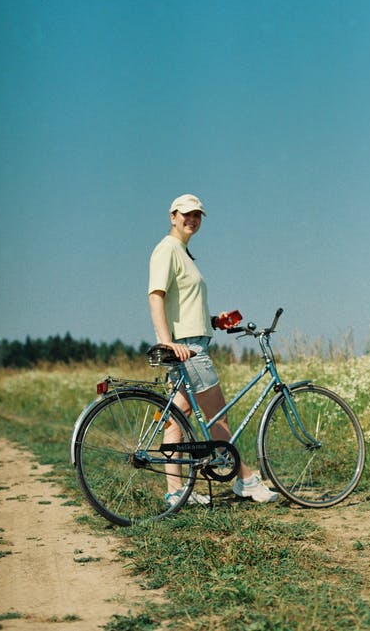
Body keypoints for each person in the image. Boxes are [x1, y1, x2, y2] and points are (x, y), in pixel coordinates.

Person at [148, 193, 279, 508]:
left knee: (176, 420)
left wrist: (213, 321)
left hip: (192, 341)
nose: (191, 220)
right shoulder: (167, 250)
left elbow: (182, 305)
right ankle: (245, 479)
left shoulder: (182, 252)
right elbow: (155, 297)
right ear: (172, 216)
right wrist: (168, 343)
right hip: (187, 349)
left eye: (197, 215)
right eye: (186, 214)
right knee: (218, 416)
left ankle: (175, 492)